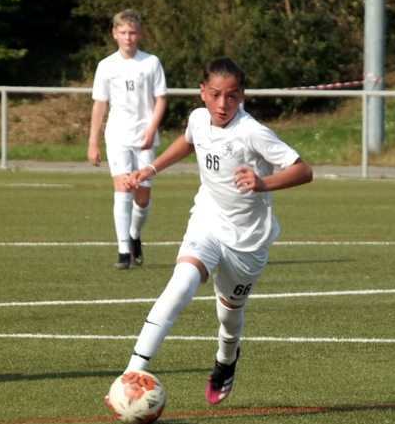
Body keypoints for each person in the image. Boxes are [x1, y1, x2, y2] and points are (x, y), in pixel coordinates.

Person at [117, 57, 314, 405]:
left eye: (232, 96)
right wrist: (151, 168)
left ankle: (226, 358)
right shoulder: (197, 118)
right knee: (181, 284)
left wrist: (263, 182)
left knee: (229, 314)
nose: (223, 104)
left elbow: (303, 170)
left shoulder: (251, 131)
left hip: (247, 238)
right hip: (208, 219)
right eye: (216, 94)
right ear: (202, 92)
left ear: (242, 96)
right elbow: (189, 141)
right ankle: (132, 373)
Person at [87, 8, 168, 269]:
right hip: (117, 137)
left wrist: (151, 129)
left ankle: (134, 235)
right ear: (114, 34)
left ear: (140, 34)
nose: (128, 37)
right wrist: (93, 142)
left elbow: (160, 100)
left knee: (141, 198)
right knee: (122, 190)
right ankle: (123, 251)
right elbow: (100, 105)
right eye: (123, 32)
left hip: (144, 137)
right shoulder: (106, 66)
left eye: (132, 32)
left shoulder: (151, 63)